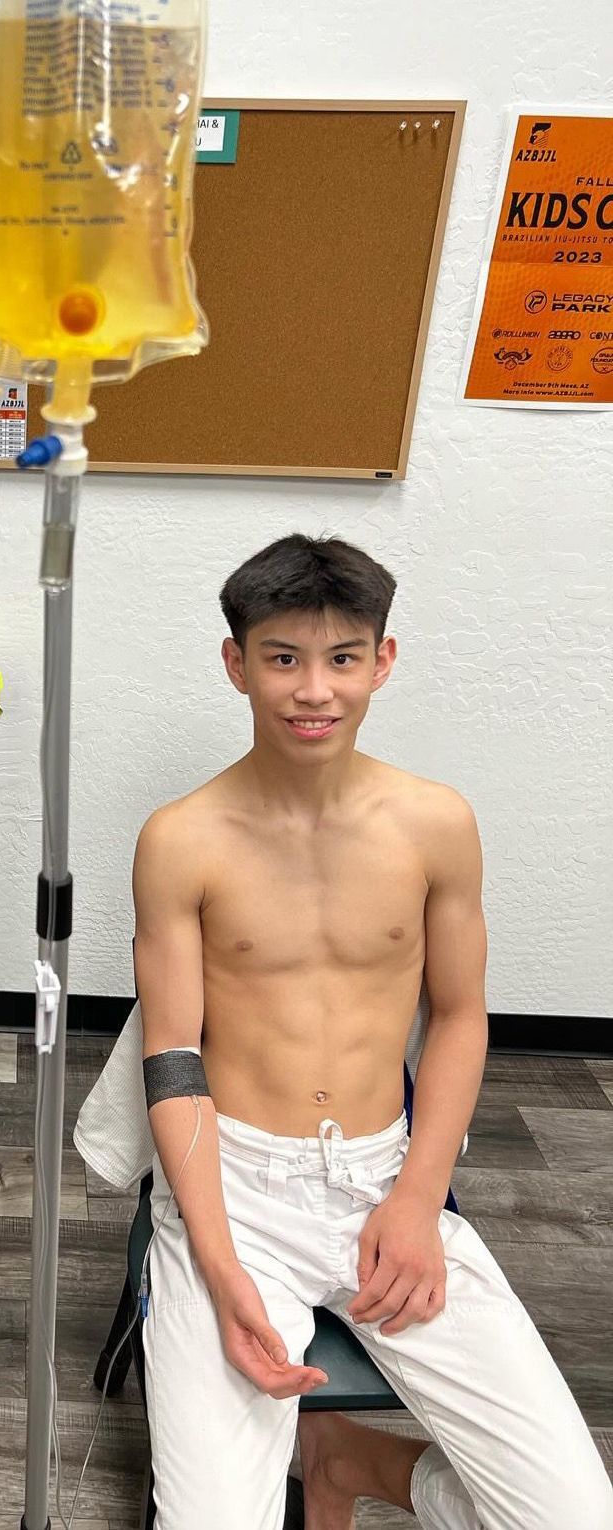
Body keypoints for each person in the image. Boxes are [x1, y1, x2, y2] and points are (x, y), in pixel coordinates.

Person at [134, 534, 613, 1530]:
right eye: (283, 658)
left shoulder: (435, 823)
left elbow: (462, 1015)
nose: (315, 690)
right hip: (234, 1189)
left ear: (383, 662)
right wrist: (219, 1269)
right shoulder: (181, 839)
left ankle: (354, 1459)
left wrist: (418, 1196)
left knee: (572, 1515)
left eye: (343, 657)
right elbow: (172, 1055)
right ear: (237, 663)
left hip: (383, 1184)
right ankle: (307, 1429)